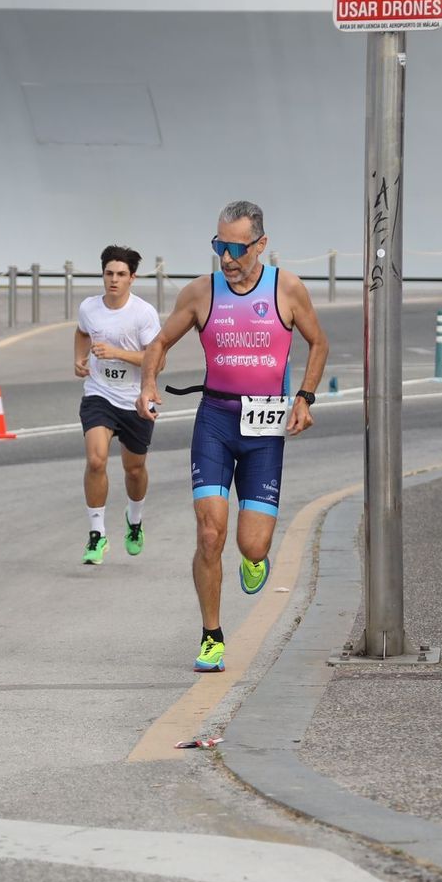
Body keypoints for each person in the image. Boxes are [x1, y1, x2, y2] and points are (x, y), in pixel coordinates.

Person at [136, 201, 328, 673]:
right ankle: (211, 636)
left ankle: (255, 560)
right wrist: (148, 385)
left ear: (261, 245)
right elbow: (159, 343)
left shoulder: (287, 288)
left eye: (237, 248)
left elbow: (318, 342)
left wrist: (304, 397)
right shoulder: (202, 293)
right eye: (219, 246)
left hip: (265, 428)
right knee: (208, 534)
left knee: (253, 545)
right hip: (216, 422)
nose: (226, 257)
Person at [74, 245, 161, 565]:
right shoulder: (89, 307)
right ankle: (97, 535)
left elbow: (157, 359)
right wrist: (79, 359)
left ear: (132, 278)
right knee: (96, 460)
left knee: (134, 469)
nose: (113, 280)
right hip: (99, 394)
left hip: (135, 399)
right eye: (109, 273)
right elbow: (82, 332)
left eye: (121, 274)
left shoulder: (143, 314)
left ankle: (134, 520)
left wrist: (117, 353)